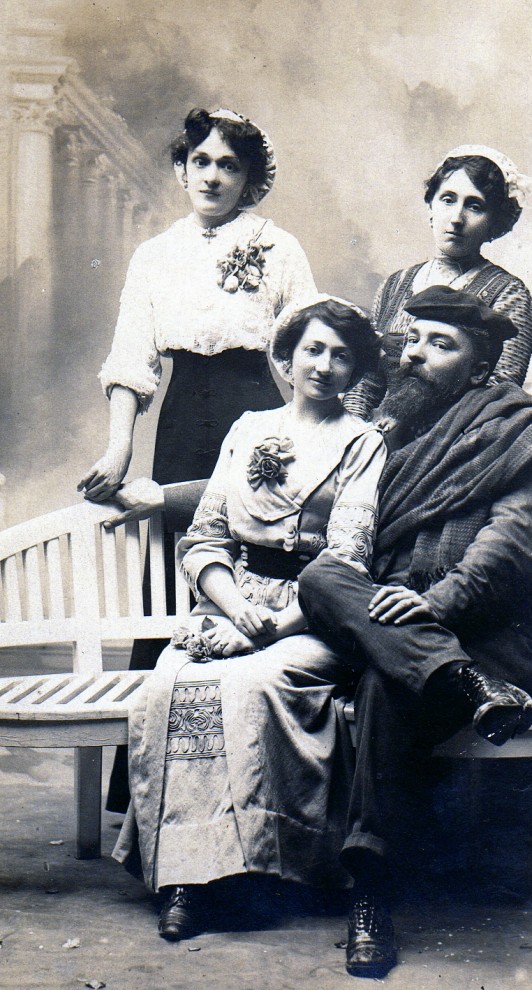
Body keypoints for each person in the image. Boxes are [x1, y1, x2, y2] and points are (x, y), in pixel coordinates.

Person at [297, 286, 532, 978]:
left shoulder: (515, 427)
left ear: (482, 365)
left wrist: (436, 603)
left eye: (441, 343)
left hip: (490, 641)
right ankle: (460, 683)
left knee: (384, 675)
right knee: (320, 578)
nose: (416, 355)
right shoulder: (392, 436)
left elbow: (515, 544)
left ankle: (370, 894)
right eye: (412, 340)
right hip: (419, 640)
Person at [110, 297, 386, 942]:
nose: (323, 365)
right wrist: (231, 606)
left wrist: (270, 625)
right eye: (313, 350)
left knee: (246, 686)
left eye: (341, 356)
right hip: (231, 601)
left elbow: (347, 557)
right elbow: (204, 538)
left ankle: (257, 870)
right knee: (167, 688)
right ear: (286, 358)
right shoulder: (247, 427)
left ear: (357, 371)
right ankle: (183, 878)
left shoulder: (362, 440)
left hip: (310, 615)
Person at [78, 106, 317, 810]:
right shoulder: (154, 254)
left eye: (229, 165)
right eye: (201, 162)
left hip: (257, 413)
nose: (213, 176)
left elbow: (308, 344)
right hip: (180, 420)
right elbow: (132, 355)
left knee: (253, 573)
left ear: (249, 179)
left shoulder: (280, 247)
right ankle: (151, 786)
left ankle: (253, 778)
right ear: (181, 168)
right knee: (172, 580)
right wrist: (121, 446)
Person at [344, 145, 532, 422]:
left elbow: (498, 394)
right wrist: (354, 436)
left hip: (455, 442)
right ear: (431, 207)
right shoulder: (395, 285)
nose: (457, 218)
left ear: (493, 221)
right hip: (379, 433)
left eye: (474, 206)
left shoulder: (509, 293)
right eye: (448, 199)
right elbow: (367, 380)